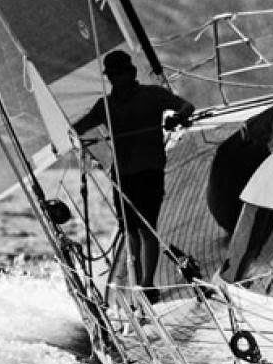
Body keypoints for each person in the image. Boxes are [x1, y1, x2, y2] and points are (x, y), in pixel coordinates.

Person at [73, 50, 194, 298]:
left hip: (150, 171)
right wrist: (61, 135)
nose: (116, 79)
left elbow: (186, 106)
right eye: (112, 76)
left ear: (132, 73)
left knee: (147, 228)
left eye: (120, 74)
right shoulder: (104, 106)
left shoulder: (153, 95)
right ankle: (138, 279)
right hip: (123, 175)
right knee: (130, 230)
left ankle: (148, 283)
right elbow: (78, 128)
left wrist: (179, 117)